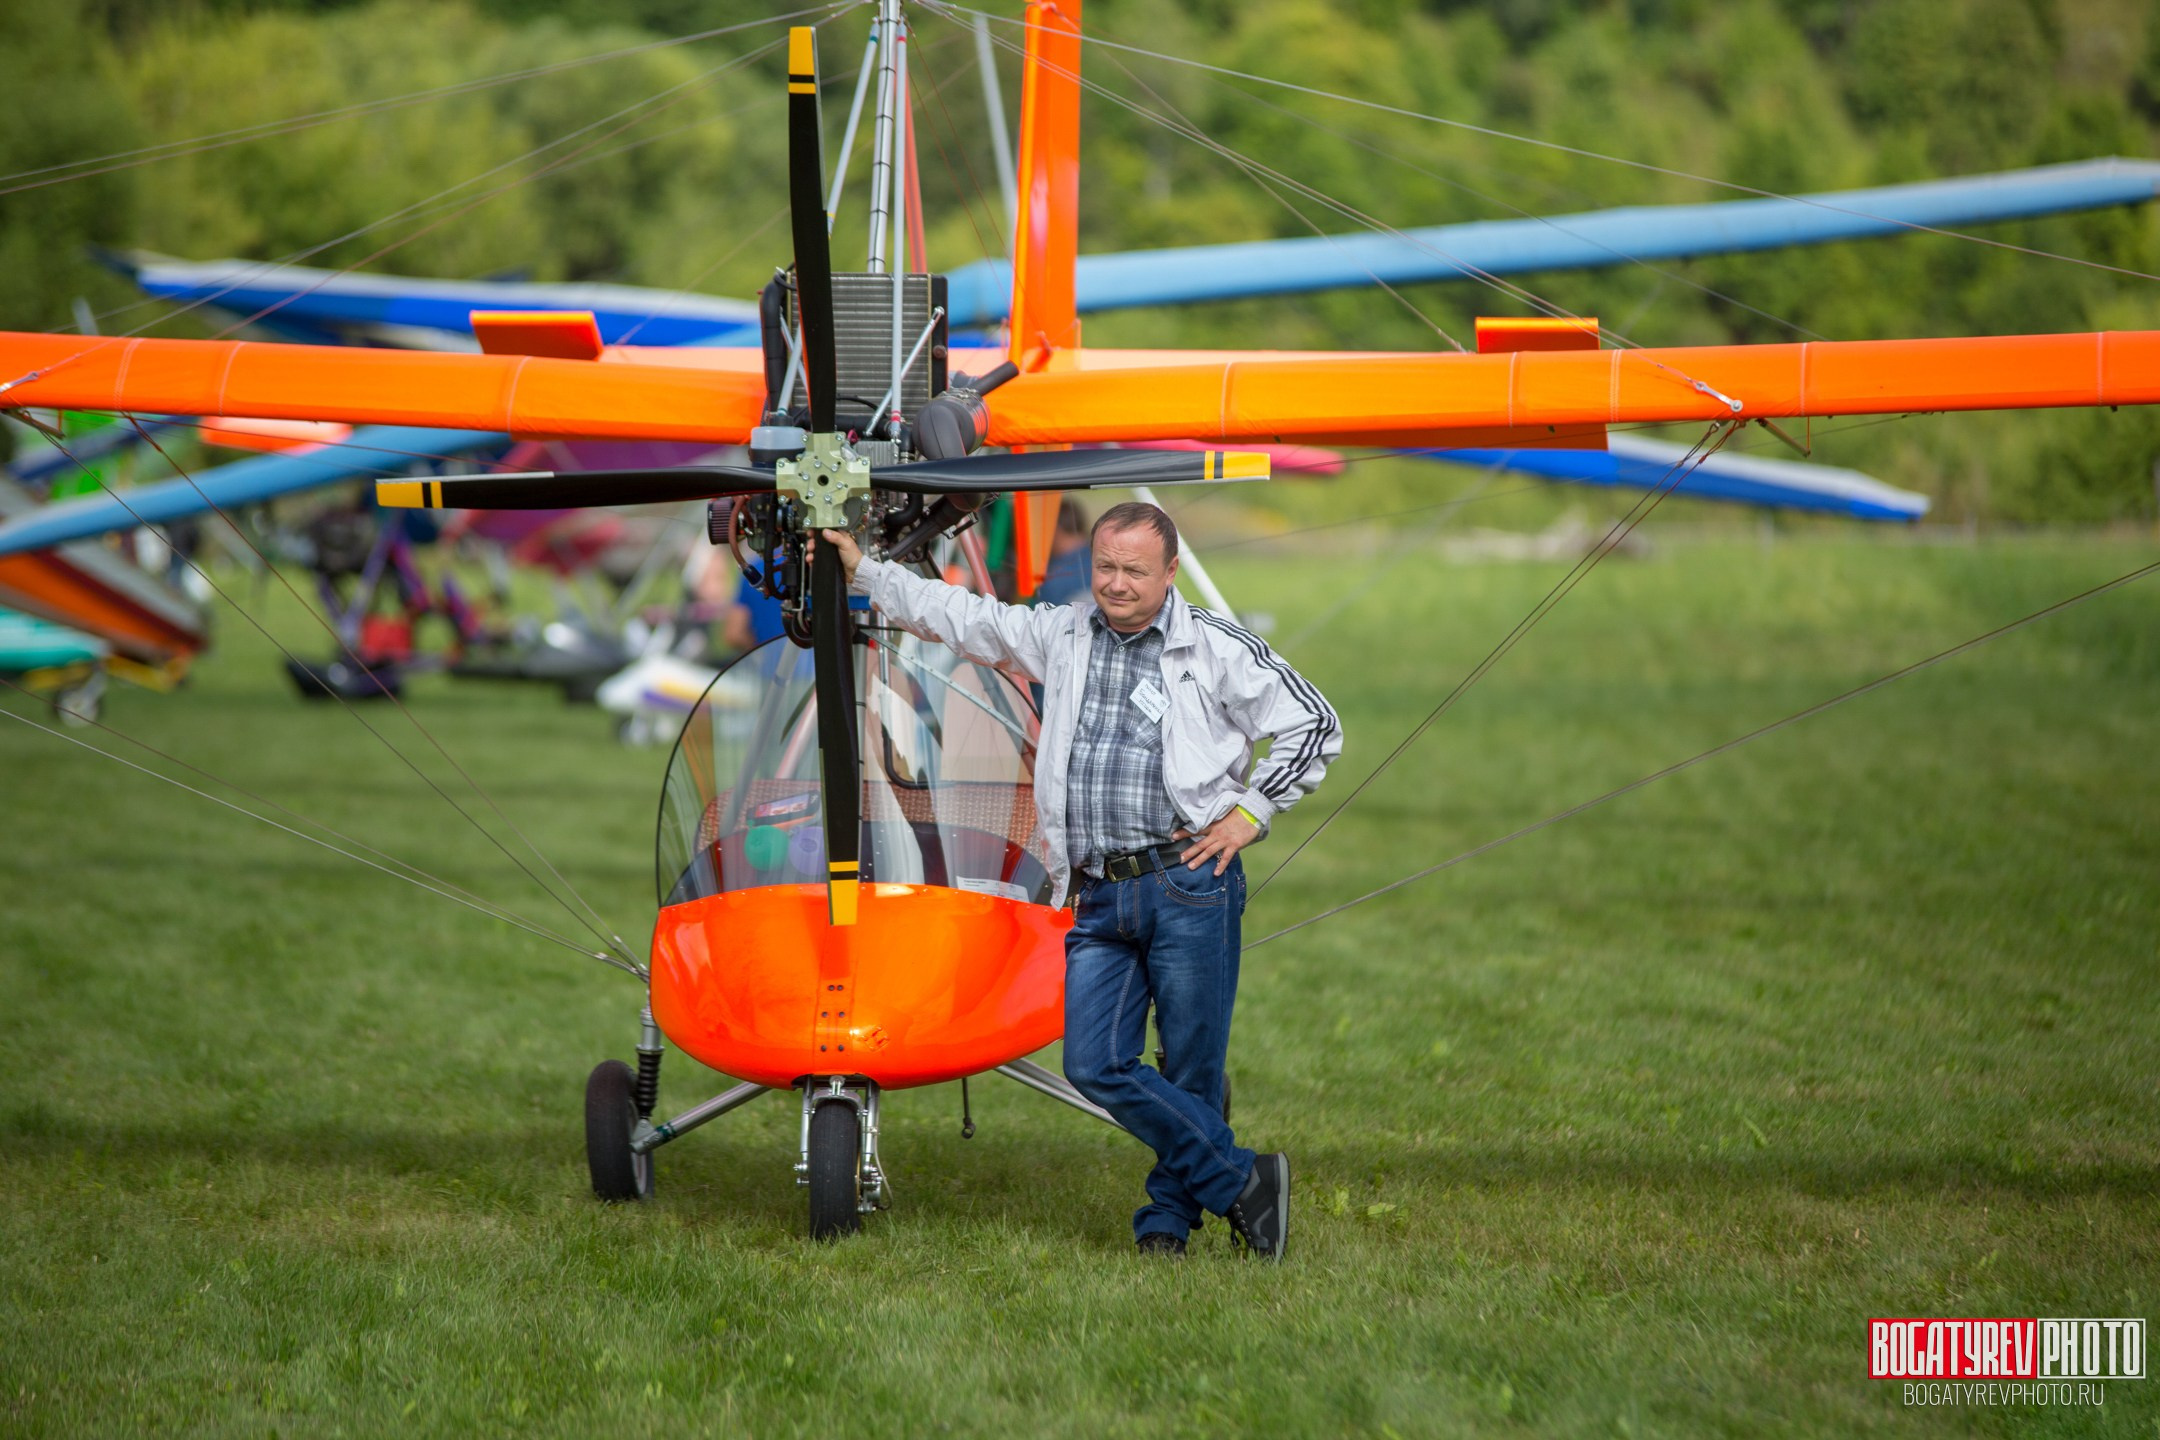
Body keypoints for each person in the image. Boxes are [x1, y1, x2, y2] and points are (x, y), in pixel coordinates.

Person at [818, 501, 1341, 1260]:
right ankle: (1243, 1182)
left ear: (1170, 572)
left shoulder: (1215, 647)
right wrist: (866, 572)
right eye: (1105, 567)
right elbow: (961, 616)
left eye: (1135, 570)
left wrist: (1248, 814)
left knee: (1190, 1070)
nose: (1117, 584)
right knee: (1094, 1062)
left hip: (1189, 881)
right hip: (1097, 890)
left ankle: (1166, 1222)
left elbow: (1315, 723)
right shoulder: (1062, 634)